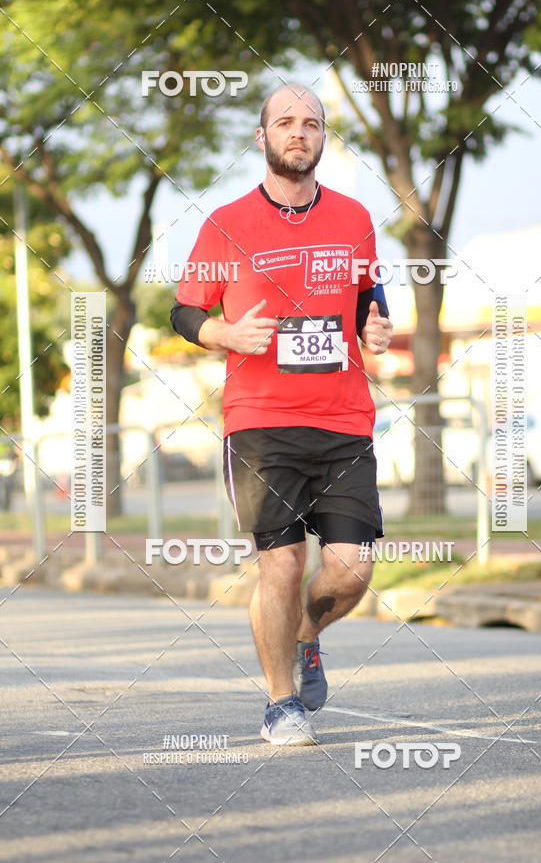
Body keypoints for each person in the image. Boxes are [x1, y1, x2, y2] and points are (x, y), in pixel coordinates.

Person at [171, 83, 392, 746]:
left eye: (313, 124)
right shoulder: (226, 223)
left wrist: (376, 331)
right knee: (283, 566)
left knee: (353, 568)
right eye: (287, 122)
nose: (300, 132)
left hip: (345, 419)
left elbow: (368, 299)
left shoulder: (354, 217)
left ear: (324, 139)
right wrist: (222, 336)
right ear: (261, 137)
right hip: (260, 421)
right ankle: (280, 704)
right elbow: (184, 311)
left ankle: (306, 634)